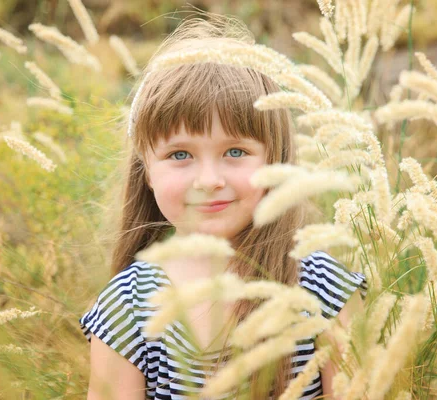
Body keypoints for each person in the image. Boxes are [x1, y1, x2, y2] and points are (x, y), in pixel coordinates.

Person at [80, 12, 367, 400]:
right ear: (146, 171)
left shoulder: (319, 286)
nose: (209, 179)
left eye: (235, 151)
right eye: (180, 154)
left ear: (274, 161)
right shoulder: (127, 308)